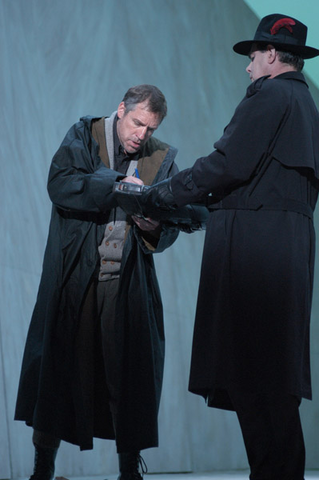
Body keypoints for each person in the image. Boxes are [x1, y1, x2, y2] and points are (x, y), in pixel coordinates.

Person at [137, 14, 319, 480]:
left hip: (257, 248)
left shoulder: (272, 94)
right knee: (271, 379)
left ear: (273, 55)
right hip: (288, 245)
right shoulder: (304, 101)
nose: (248, 67)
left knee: (254, 378)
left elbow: (226, 163)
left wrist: (162, 194)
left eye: (254, 56)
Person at [14, 84, 180, 480]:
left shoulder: (160, 158)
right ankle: (43, 468)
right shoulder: (85, 136)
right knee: (59, 369)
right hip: (75, 276)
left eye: (150, 128)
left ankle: (129, 470)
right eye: (138, 122)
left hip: (127, 283)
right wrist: (120, 187)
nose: (142, 134)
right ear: (121, 109)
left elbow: (171, 223)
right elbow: (61, 184)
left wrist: (154, 222)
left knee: (131, 373)